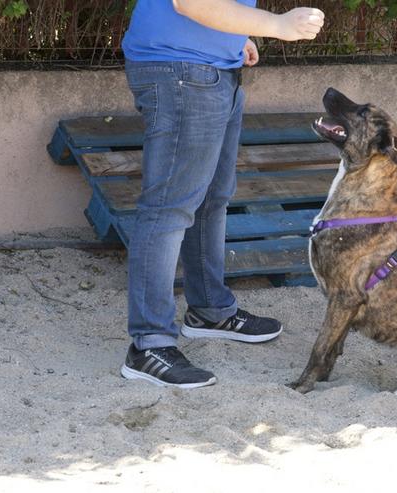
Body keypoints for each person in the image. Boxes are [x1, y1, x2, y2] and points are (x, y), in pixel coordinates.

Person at [119, 0, 325, 388]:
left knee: (212, 198)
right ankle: (149, 345)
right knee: (168, 209)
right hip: (181, 71)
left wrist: (236, 35)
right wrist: (277, 25)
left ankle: (209, 310)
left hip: (212, 71)